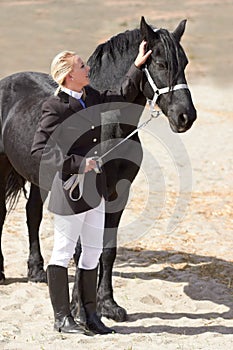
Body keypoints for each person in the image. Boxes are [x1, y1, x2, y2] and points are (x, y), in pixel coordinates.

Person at [31, 41, 152, 335]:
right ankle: (62, 318)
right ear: (68, 75)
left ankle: (90, 314)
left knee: (92, 252)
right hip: (70, 190)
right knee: (62, 253)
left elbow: (121, 93)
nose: (88, 69)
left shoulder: (91, 96)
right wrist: (76, 163)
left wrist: (136, 65)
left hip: (95, 189)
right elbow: (39, 150)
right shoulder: (55, 106)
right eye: (83, 66)